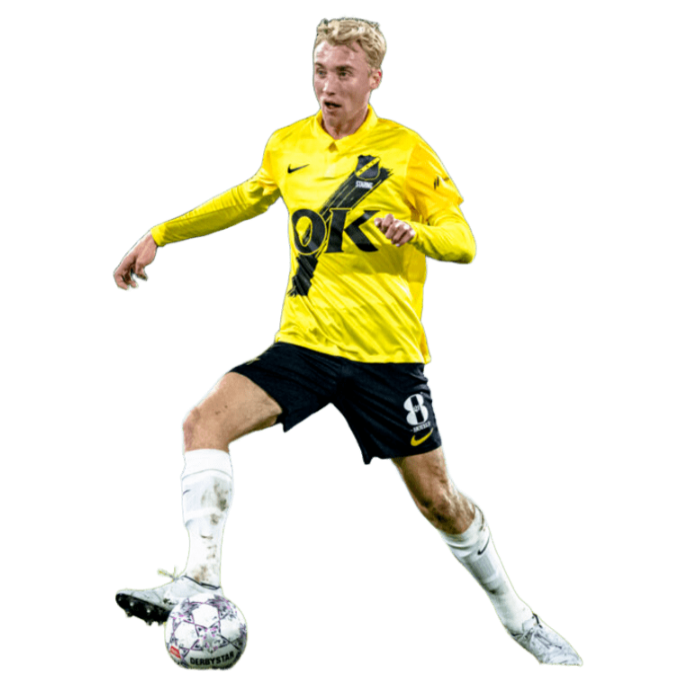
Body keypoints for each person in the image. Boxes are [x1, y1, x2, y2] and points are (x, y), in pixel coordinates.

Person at [113, 16, 583, 668]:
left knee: (440, 502)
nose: (327, 86)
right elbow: (246, 199)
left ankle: (518, 618)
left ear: (373, 79)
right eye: (319, 71)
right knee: (203, 422)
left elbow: (466, 243)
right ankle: (200, 582)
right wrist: (163, 233)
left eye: (343, 73)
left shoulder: (406, 150)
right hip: (304, 346)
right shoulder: (288, 143)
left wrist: (417, 234)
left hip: (387, 357)